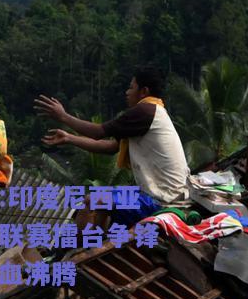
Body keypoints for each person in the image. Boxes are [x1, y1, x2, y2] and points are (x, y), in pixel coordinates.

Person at [34, 66, 191, 211]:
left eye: (131, 88)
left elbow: (98, 132)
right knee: (103, 199)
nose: (127, 92)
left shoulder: (145, 110)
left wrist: (63, 116)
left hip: (163, 198)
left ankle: (85, 241)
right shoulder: (154, 111)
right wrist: (69, 138)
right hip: (167, 193)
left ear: (144, 91)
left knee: (92, 200)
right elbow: (111, 147)